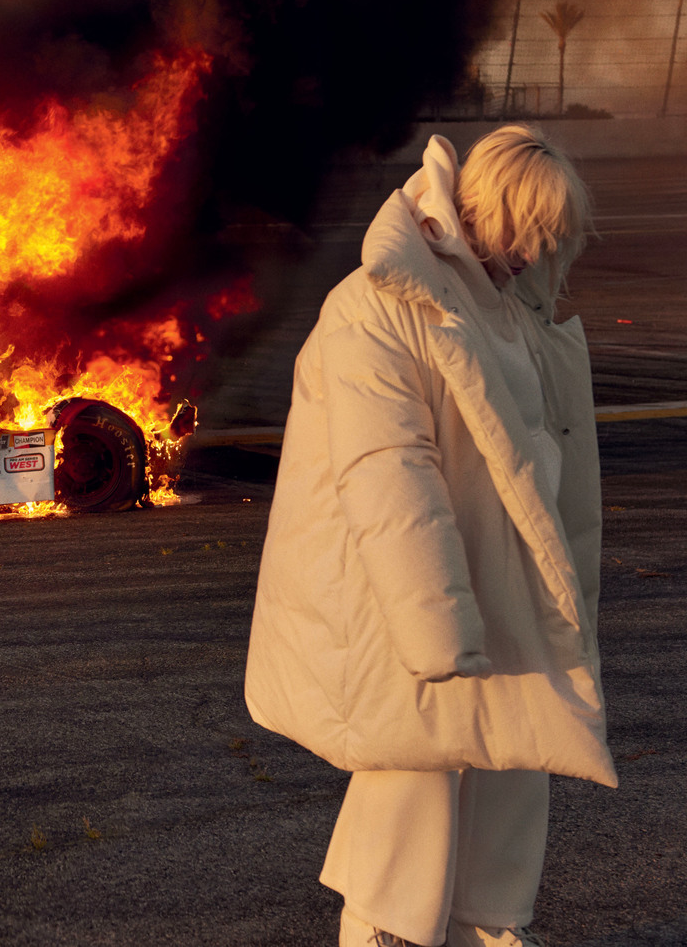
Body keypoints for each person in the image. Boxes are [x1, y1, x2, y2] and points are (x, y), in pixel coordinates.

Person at [244, 124, 615, 947]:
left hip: (498, 575)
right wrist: (436, 620)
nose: (532, 254)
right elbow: (387, 472)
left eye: (548, 237)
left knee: (515, 754)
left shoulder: (506, 307)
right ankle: (382, 931)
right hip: (404, 593)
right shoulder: (378, 304)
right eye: (524, 230)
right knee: (414, 769)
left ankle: (489, 924)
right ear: (478, 208)